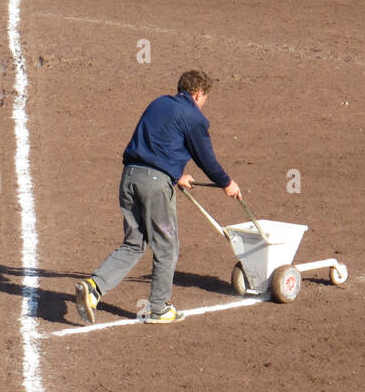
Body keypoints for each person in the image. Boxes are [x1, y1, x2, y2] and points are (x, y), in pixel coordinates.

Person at [75, 69, 241, 325]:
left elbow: (156, 143)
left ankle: (94, 287)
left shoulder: (159, 103)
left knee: (134, 242)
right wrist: (227, 183)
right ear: (198, 94)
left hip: (130, 178)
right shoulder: (193, 117)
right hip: (154, 186)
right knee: (167, 247)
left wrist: (176, 175)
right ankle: (158, 308)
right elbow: (206, 160)